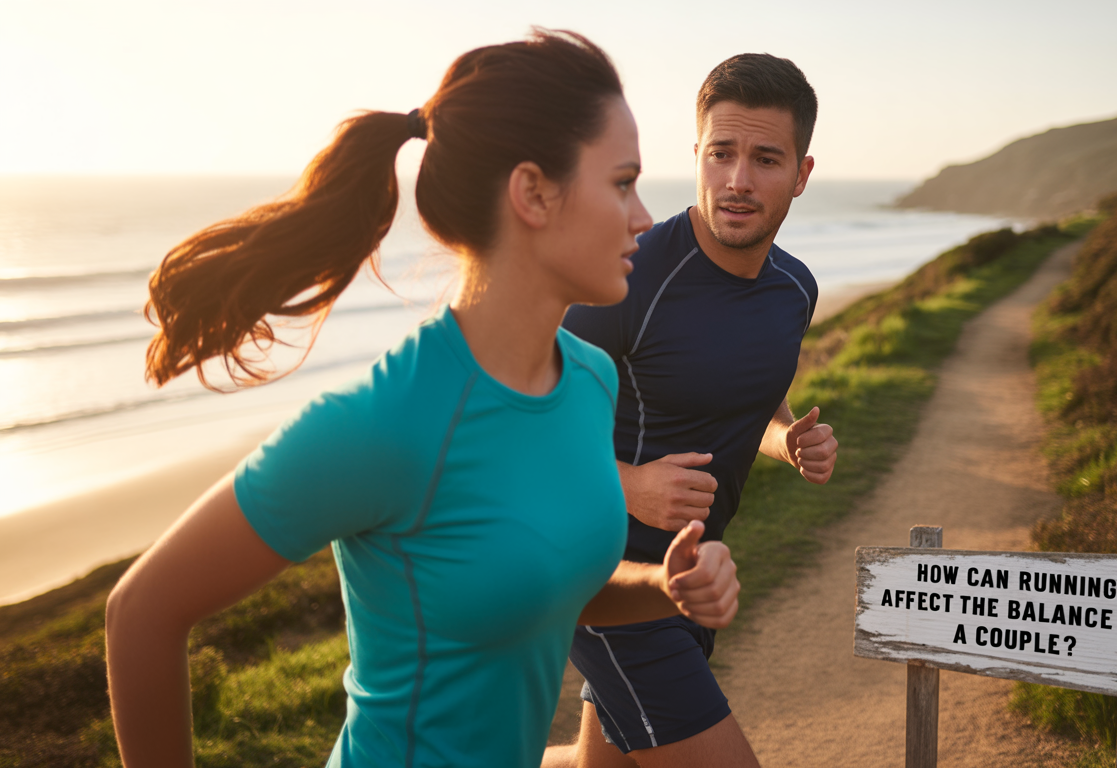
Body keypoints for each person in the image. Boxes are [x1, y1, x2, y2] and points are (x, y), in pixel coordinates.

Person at [105, 30, 743, 768]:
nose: (643, 217)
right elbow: (141, 612)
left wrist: (666, 586)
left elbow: (542, 582)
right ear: (534, 192)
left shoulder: (591, 380)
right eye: (623, 181)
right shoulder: (385, 425)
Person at [545, 53, 839, 768]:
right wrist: (630, 485)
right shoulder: (624, 275)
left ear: (801, 173)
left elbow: (758, 399)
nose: (738, 180)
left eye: (766, 159)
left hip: (689, 583)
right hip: (603, 578)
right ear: (698, 156)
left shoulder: (793, 289)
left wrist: (785, 442)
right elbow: (522, 429)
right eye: (722, 154)